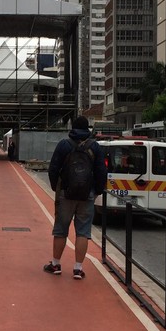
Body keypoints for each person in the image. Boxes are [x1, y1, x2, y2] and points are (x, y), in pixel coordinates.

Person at [45, 116, 107, 280]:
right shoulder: (95, 147)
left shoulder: (64, 145)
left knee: (60, 230)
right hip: (87, 195)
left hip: (66, 193)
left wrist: (56, 188)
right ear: (88, 128)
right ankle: (78, 268)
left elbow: (53, 169)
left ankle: (56, 264)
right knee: (83, 232)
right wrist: (97, 191)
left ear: (72, 127)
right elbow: (101, 172)